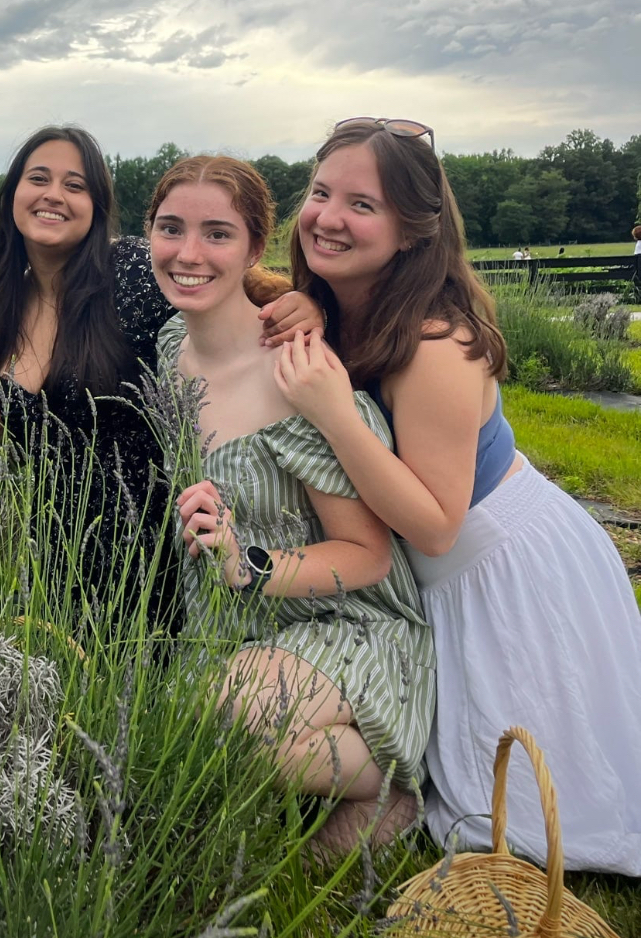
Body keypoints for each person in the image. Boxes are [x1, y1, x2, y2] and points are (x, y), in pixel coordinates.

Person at [270, 117, 641, 874]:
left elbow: (438, 526)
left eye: (362, 204)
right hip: (438, 575)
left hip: (501, 570)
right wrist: (310, 311)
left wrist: (336, 414)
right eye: (320, 193)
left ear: (411, 230)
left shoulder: (438, 342)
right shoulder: (353, 305)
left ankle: (403, 800)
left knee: (532, 812)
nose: (328, 217)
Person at [148, 155, 433, 848]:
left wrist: (247, 561)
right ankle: (309, 763)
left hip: (344, 619)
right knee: (173, 730)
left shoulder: (296, 375)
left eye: (217, 234)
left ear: (254, 246)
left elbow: (366, 556)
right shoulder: (168, 348)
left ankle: (386, 778)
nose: (188, 254)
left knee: (222, 719)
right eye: (170, 228)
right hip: (235, 620)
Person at [0, 126, 314, 619]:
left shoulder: (129, 271)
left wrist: (301, 303)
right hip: (53, 565)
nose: (53, 195)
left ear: (97, 205)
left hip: (162, 563)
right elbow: (10, 443)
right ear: (12, 193)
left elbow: (214, 278)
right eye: (38, 178)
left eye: (75, 185)